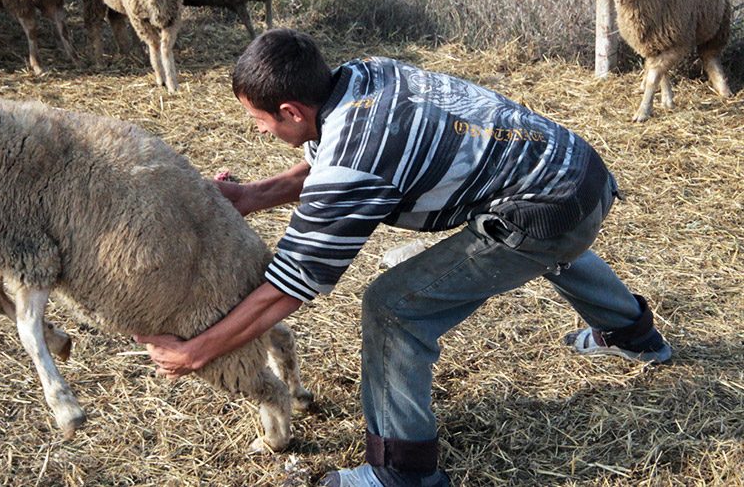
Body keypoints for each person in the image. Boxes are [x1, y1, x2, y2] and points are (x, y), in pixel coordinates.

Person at [133, 28, 672, 487]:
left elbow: (291, 284)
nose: (259, 130)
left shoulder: (351, 158)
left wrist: (196, 352)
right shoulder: (364, 78)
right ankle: (633, 337)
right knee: (550, 242)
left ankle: (403, 471)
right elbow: (349, 166)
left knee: (393, 308)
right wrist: (252, 196)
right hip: (577, 171)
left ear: (292, 111)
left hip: (548, 211)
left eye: (258, 119)